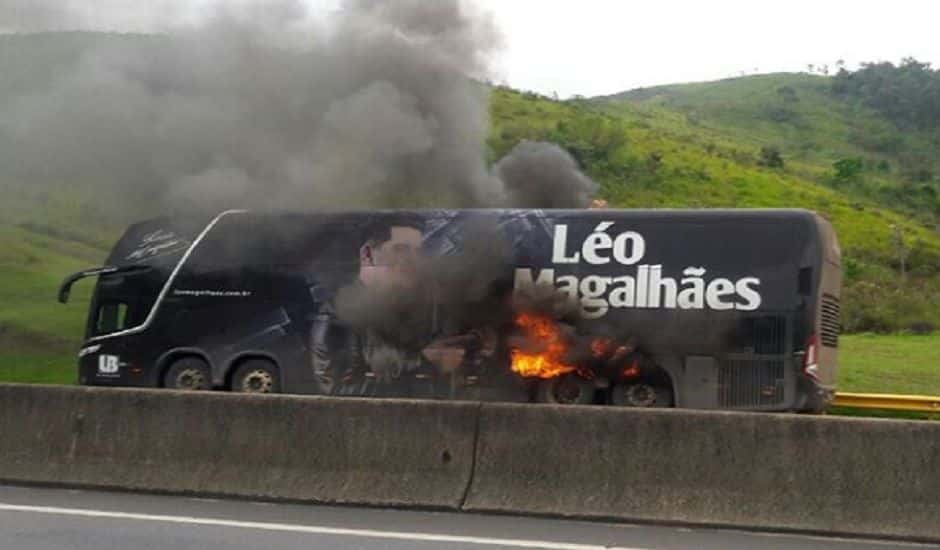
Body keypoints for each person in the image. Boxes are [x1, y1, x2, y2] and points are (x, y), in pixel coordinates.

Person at [309, 213, 466, 397]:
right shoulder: (337, 317)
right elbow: (337, 392)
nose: (413, 262)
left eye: (417, 252)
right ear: (367, 255)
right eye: (401, 250)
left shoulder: (413, 311)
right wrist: (425, 362)